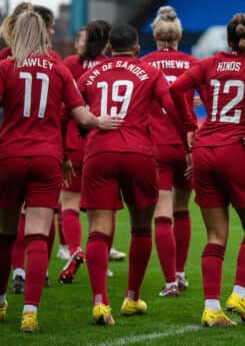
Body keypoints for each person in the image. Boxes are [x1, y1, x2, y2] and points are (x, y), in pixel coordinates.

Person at [0, 9, 122, 332]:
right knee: (37, 234)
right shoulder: (59, 69)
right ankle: (30, 312)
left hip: (10, 157)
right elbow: (81, 115)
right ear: (45, 34)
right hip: (47, 158)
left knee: (4, 235)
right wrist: (100, 121)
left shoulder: (5, 66)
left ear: (17, 33)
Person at [170, 13, 245, 327]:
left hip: (204, 150)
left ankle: (212, 308)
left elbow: (176, 89)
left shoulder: (208, 64)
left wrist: (190, 126)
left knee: (215, 235)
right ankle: (239, 294)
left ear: (227, 41)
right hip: (237, 150)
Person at [78, 23, 188, 326]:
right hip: (139, 153)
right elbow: (171, 107)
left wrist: (88, 128)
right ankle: (131, 296)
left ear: (108, 49)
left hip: (100, 152)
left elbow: (73, 111)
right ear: (138, 49)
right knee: (141, 228)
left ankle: (100, 302)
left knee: (98, 229)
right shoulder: (150, 73)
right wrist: (187, 140)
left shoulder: (89, 75)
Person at [0, 2, 62, 293]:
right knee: (42, 219)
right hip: (46, 151)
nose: (53, 31)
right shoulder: (55, 61)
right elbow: (69, 110)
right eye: (50, 26)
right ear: (40, 29)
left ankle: (14, 279)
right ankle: (34, 277)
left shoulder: (4, 60)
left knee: (7, 227)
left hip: (11, 152)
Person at [141, 6, 199, 297]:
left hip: (157, 146)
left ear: (154, 34)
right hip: (186, 145)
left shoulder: (145, 64)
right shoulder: (192, 63)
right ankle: (180, 273)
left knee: (162, 214)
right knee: (182, 210)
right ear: (178, 35)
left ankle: (170, 282)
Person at [58, 20, 113, 284]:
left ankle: (75, 250)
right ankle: (102, 262)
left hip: (73, 142)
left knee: (68, 202)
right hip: (102, 142)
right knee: (103, 208)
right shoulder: (110, 66)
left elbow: (61, 109)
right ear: (106, 43)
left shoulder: (69, 65)